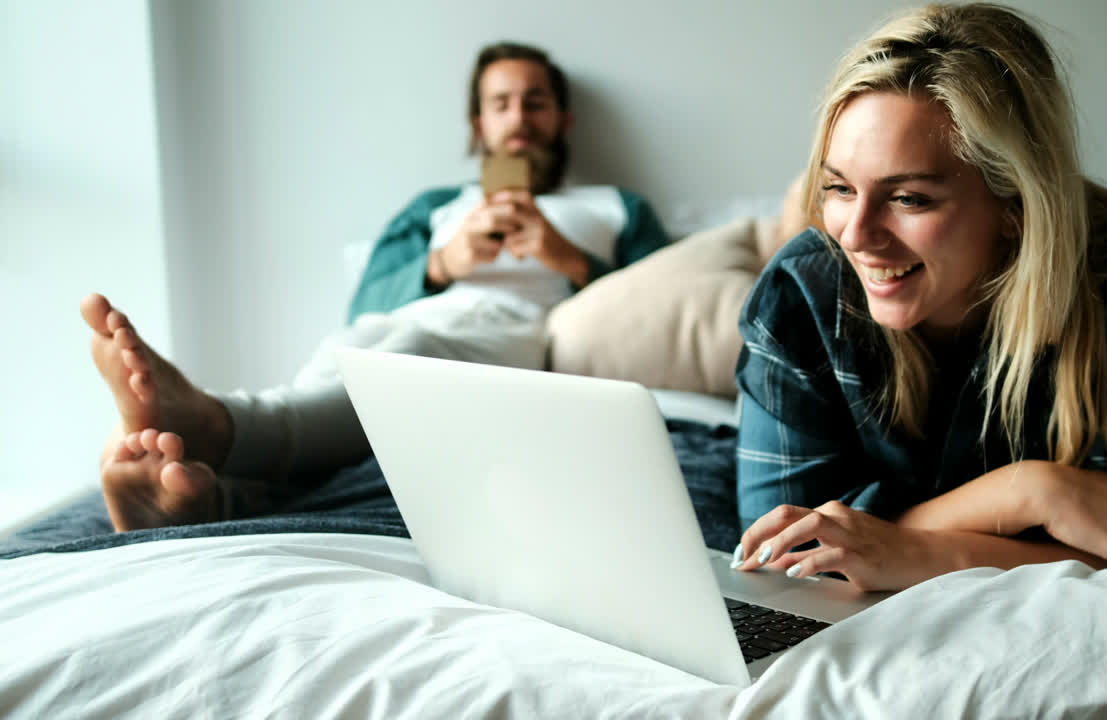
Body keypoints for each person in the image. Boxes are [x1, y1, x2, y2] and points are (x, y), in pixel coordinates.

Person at [729, 3, 1107, 591]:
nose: (856, 235)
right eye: (839, 188)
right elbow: (782, 558)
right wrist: (1033, 492)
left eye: (910, 198)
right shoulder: (802, 293)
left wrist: (900, 547)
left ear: (1016, 205)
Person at [81, 41, 669, 532]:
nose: (518, 118)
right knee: (343, 362)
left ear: (562, 120)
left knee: (400, 363)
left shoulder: (615, 207)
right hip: (397, 326)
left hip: (509, 335)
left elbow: (663, 305)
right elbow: (366, 300)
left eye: (535, 103)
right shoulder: (438, 207)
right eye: (501, 104)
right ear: (479, 124)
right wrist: (441, 265)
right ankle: (214, 497)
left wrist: (568, 259)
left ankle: (221, 424)